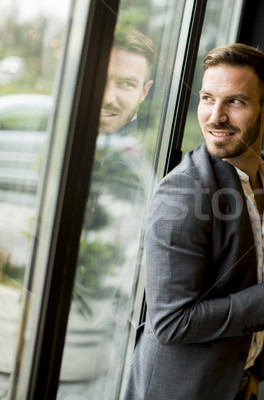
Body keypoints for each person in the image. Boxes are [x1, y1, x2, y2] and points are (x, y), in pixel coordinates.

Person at [123, 43, 264, 400]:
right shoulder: (182, 194)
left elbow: (257, 279)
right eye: (207, 99)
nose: (215, 116)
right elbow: (172, 323)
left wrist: (253, 375)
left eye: (234, 102)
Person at [60, 27, 156, 397]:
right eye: (102, 79)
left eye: (126, 84)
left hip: (93, 371)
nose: (109, 97)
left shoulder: (138, 173)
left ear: (144, 92)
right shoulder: (44, 144)